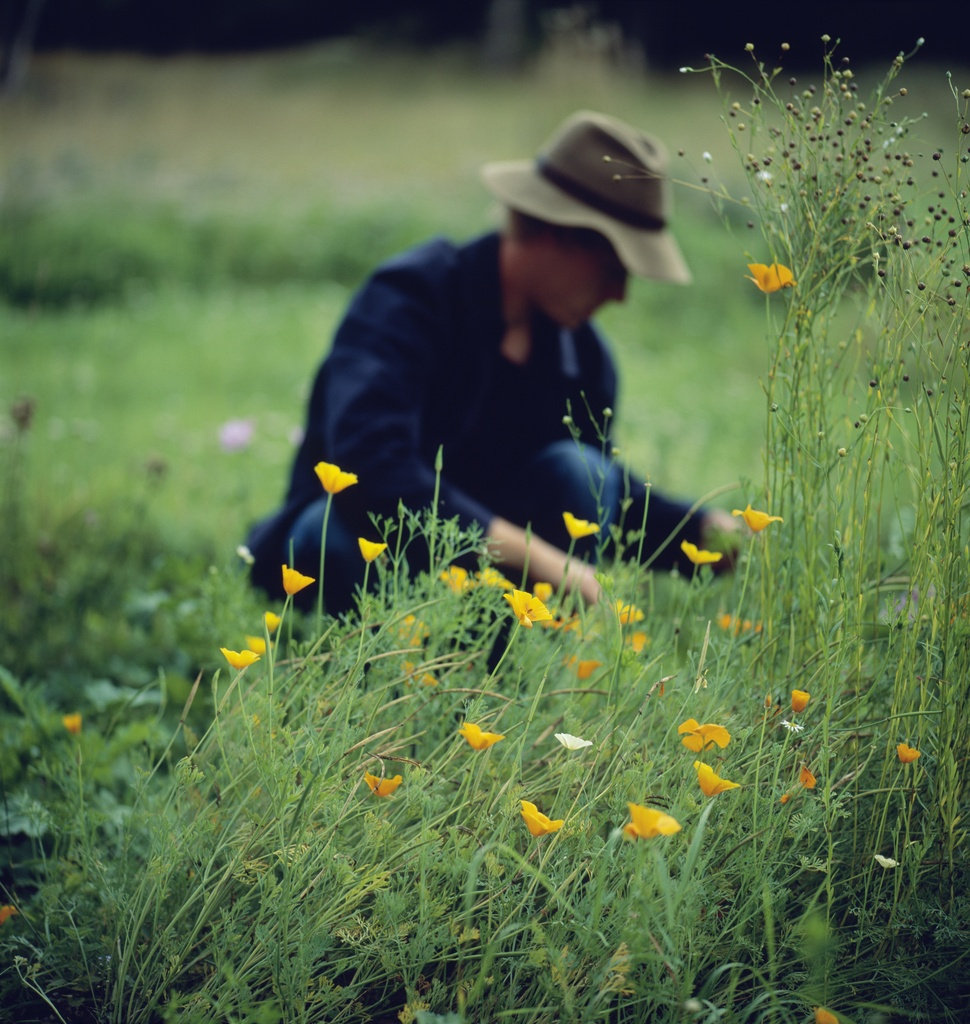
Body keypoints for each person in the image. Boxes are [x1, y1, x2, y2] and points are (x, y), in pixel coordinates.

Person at [246, 110, 736, 615]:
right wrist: (550, 567)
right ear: (554, 231)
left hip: (480, 586)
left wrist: (701, 532)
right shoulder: (408, 301)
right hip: (359, 554)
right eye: (613, 269)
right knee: (333, 536)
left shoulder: (583, 355)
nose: (620, 294)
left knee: (583, 471)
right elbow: (371, 470)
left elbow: (603, 498)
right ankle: (356, 682)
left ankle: (516, 681)